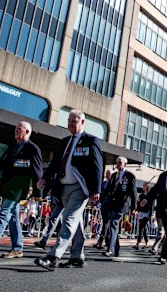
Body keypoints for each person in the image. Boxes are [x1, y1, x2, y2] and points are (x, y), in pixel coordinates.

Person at [35, 109, 103, 270]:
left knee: (68, 219)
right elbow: (55, 162)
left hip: (80, 188)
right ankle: (77, 257)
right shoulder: (65, 141)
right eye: (69, 120)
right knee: (76, 222)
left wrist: (96, 189)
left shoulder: (90, 141)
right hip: (63, 187)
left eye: (74, 121)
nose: (71, 124)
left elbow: (97, 166)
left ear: (82, 122)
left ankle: (53, 256)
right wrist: (45, 177)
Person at [0, 121, 43, 260]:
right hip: (7, 186)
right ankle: (17, 248)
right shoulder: (12, 147)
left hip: (18, 188)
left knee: (3, 214)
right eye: (15, 129)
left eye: (20, 129)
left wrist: (38, 193)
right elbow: (1, 163)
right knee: (13, 218)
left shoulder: (32, 149)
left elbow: (37, 172)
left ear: (27, 132)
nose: (16, 131)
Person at [101, 156, 137, 257]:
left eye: (120, 163)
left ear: (125, 164)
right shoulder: (113, 176)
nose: (117, 164)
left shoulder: (130, 176)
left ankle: (110, 249)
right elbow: (109, 190)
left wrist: (133, 207)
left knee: (114, 223)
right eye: (116, 162)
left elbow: (133, 192)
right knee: (114, 226)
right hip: (112, 204)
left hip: (122, 205)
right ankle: (116, 249)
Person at [94, 169, 112, 249]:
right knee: (106, 223)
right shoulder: (103, 183)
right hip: (103, 206)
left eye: (109, 173)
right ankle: (108, 242)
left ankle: (100, 241)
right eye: (107, 173)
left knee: (106, 224)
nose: (107, 175)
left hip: (109, 206)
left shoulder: (113, 184)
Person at [133, 182, 153, 250]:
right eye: (143, 185)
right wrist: (136, 209)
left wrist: (150, 214)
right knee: (143, 228)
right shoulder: (141, 195)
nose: (144, 187)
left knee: (141, 227)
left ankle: (138, 243)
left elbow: (152, 206)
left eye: (145, 185)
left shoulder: (150, 196)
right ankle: (147, 242)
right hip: (140, 213)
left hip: (146, 213)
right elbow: (138, 203)